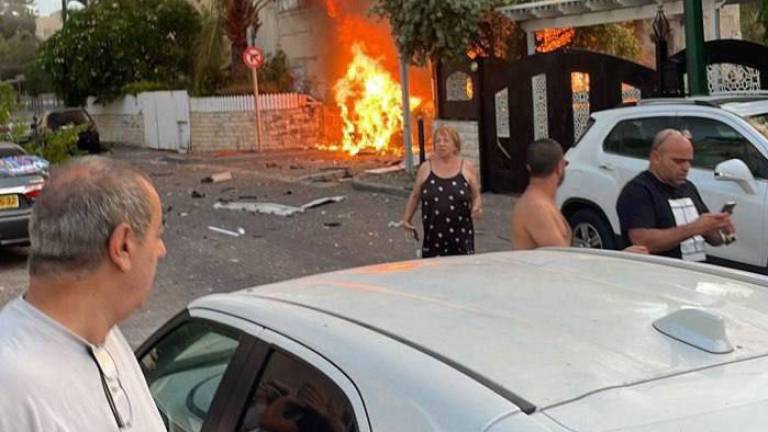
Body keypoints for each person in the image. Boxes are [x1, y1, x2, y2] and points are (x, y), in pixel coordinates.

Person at [0, 156, 168, 431]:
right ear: (123, 247)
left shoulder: (103, 333)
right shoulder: (11, 392)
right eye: (157, 235)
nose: (161, 250)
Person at [511, 138, 647, 253]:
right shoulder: (535, 208)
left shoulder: (540, 202)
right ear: (560, 166)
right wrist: (620, 259)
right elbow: (563, 259)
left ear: (529, 167)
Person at [616, 129, 734, 262]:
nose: (686, 167)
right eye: (678, 161)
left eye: (689, 161)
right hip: (661, 276)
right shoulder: (638, 191)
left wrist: (721, 231)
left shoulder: (688, 187)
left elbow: (711, 238)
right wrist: (694, 228)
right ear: (656, 158)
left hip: (695, 275)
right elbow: (642, 241)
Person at [402, 126, 482, 258]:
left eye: (446, 140)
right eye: (438, 141)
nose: (441, 144)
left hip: (460, 238)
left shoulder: (466, 167)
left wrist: (477, 207)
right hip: (433, 237)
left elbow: (476, 195)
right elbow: (415, 195)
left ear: (455, 145)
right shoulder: (426, 168)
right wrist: (406, 219)